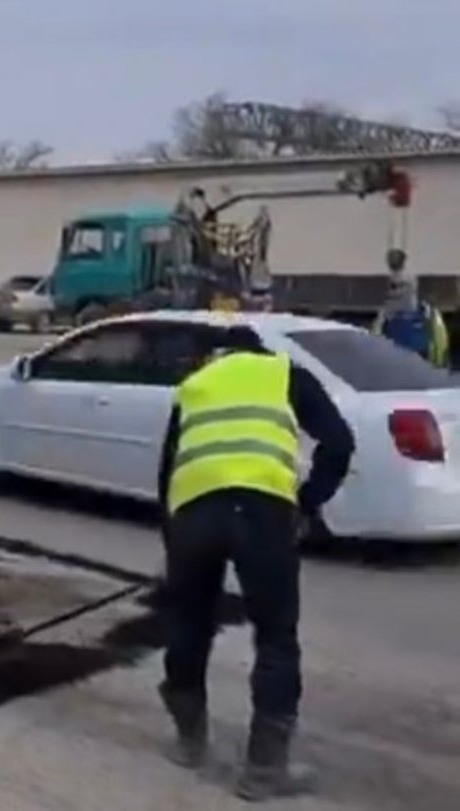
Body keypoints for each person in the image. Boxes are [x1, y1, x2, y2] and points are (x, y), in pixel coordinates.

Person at [156, 325, 354, 801]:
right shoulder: (284, 373)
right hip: (262, 513)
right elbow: (340, 444)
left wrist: (174, 542)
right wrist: (307, 503)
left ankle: (189, 742)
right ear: (260, 351)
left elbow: (167, 472)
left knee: (189, 622)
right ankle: (264, 771)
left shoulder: (196, 385)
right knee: (276, 636)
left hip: (193, 513)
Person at [372, 268, 449, 368]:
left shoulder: (431, 316)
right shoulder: (383, 320)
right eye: (392, 287)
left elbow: (441, 352)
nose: (395, 292)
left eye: (401, 286)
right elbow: (374, 351)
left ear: (413, 289)